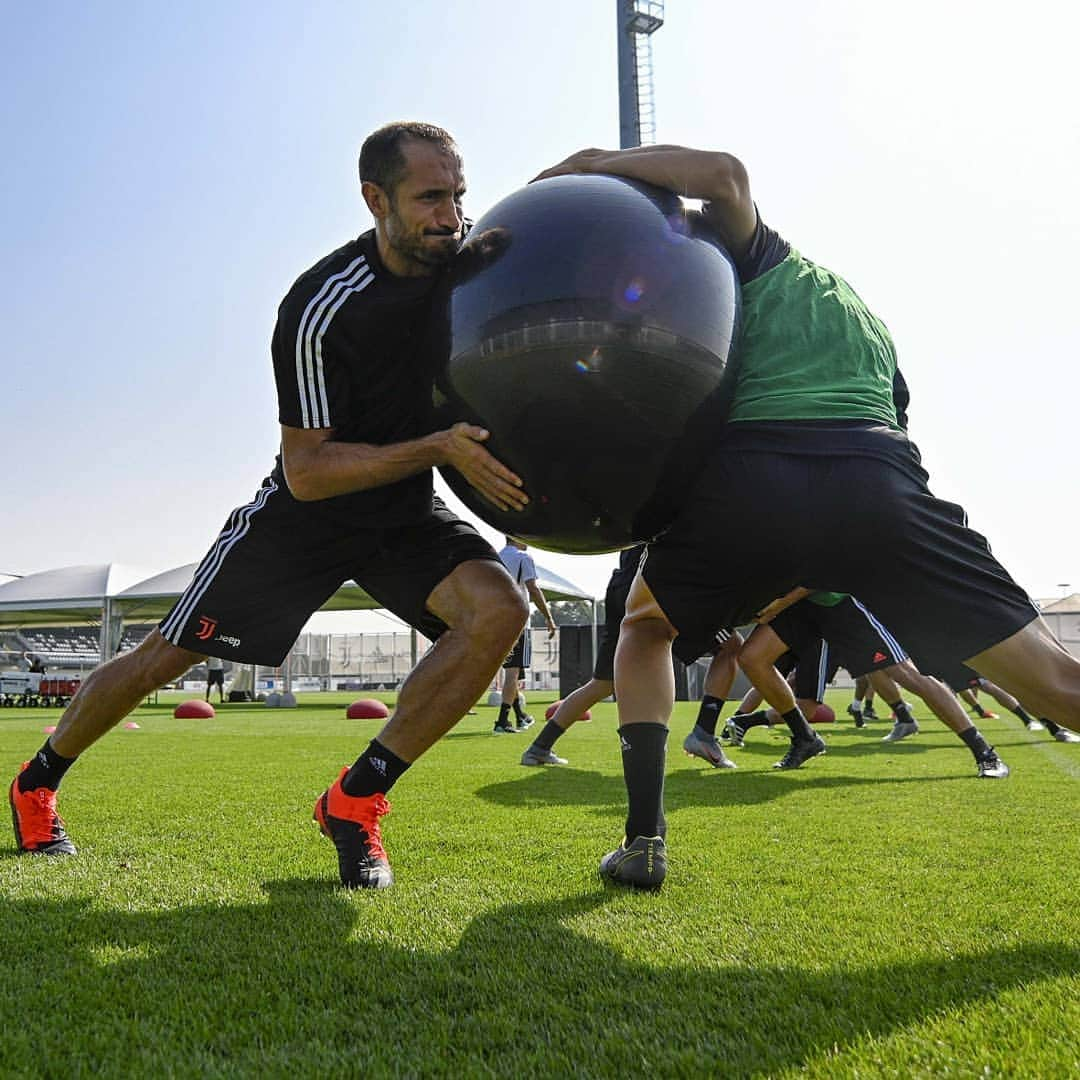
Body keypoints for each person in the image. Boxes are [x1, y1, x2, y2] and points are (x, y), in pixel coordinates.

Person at [534, 143, 1080, 889]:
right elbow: (898, 420)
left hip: (756, 482)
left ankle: (644, 842)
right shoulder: (866, 319)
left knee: (644, 627)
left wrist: (593, 162)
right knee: (1058, 684)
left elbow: (723, 175)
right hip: (879, 486)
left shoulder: (756, 259)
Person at [10, 122, 531, 890]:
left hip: (403, 515)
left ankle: (355, 802)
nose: (449, 216)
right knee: (165, 658)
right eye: (429, 198)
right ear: (375, 199)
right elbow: (310, 470)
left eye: (457, 194)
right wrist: (439, 449)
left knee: (501, 612)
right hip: (305, 518)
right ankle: (39, 779)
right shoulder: (321, 306)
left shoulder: (463, 268)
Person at [734, 591, 1010, 777]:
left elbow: (812, 570)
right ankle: (804, 738)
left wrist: (774, 605)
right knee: (752, 657)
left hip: (837, 603)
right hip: (800, 607)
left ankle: (983, 752)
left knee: (907, 674)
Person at [521, 544, 739, 769]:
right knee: (730, 647)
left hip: (625, 583)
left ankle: (540, 746)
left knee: (604, 683)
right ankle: (704, 733)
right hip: (658, 584)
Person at [494, 537, 556, 734]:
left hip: (498, 620)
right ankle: (502, 722)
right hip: (518, 620)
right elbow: (533, 588)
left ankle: (521, 716)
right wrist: (548, 617)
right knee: (513, 672)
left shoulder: (495, 556)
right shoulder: (523, 557)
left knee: (512, 671)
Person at [934, 663, 1080, 744]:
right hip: (952, 651)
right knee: (991, 686)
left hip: (962, 650)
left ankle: (1044, 725)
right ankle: (1051, 728)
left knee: (998, 686)